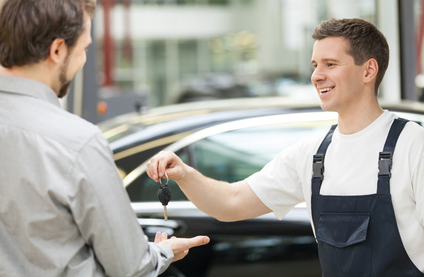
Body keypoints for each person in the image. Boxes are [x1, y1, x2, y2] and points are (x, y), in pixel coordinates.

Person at [147, 18, 424, 276]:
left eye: (330, 64)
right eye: (315, 65)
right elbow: (231, 203)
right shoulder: (313, 155)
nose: (317, 75)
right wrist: (184, 173)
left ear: (369, 70)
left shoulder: (413, 144)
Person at [0, 0, 209, 276]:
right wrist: (164, 252)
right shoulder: (76, 142)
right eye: (84, 48)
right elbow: (130, 266)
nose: (84, 60)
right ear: (58, 50)